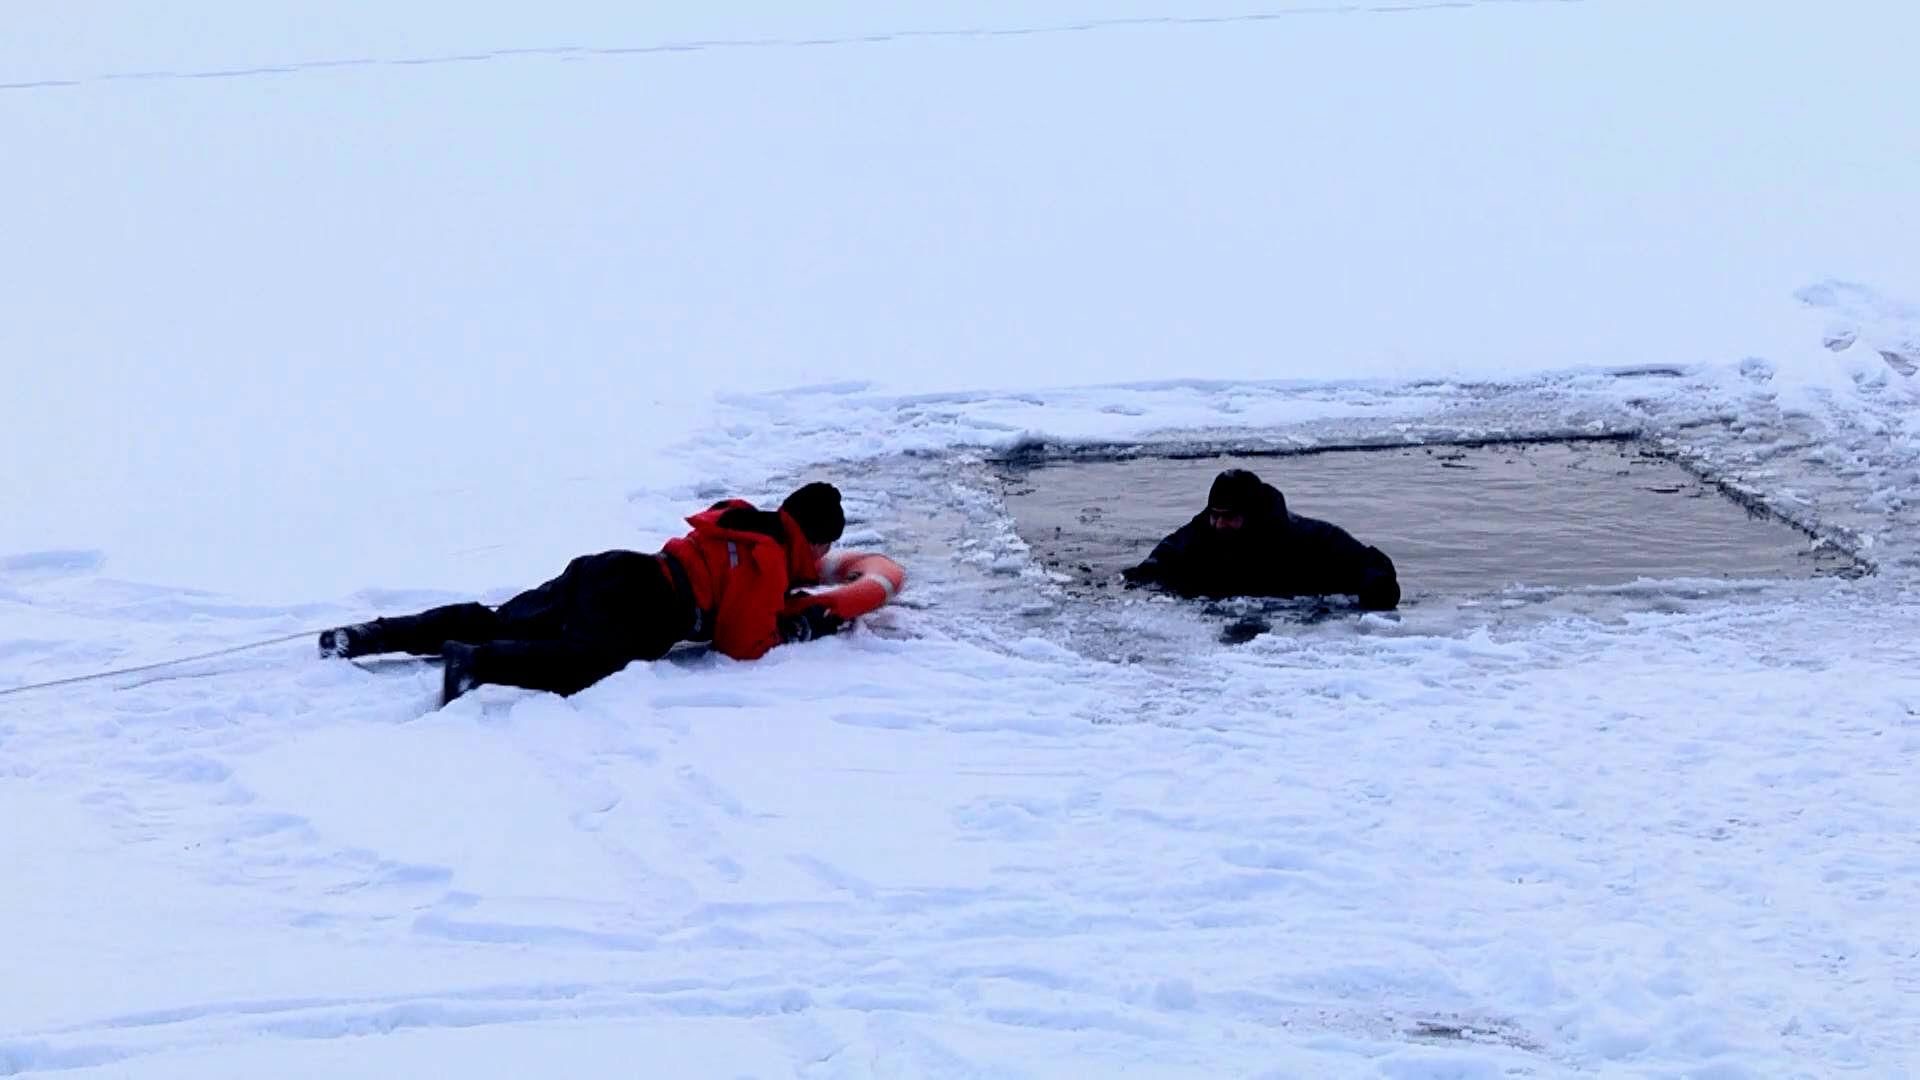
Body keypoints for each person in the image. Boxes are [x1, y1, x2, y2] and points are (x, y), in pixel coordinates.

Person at [318, 482, 851, 704]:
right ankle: (474, 665)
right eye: (825, 546)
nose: (824, 557)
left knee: (502, 619)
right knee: (581, 664)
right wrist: (798, 626)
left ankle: (367, 636)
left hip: (617, 568)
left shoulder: (743, 520)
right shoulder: (769, 560)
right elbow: (741, 643)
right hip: (648, 605)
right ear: (812, 538)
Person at [1122, 468, 1400, 610]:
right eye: (1215, 515)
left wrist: (1378, 587)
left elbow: (1369, 564)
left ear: (1252, 514)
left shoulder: (1306, 538)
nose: (1220, 524)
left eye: (1230, 516)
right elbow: (1162, 558)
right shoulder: (1201, 532)